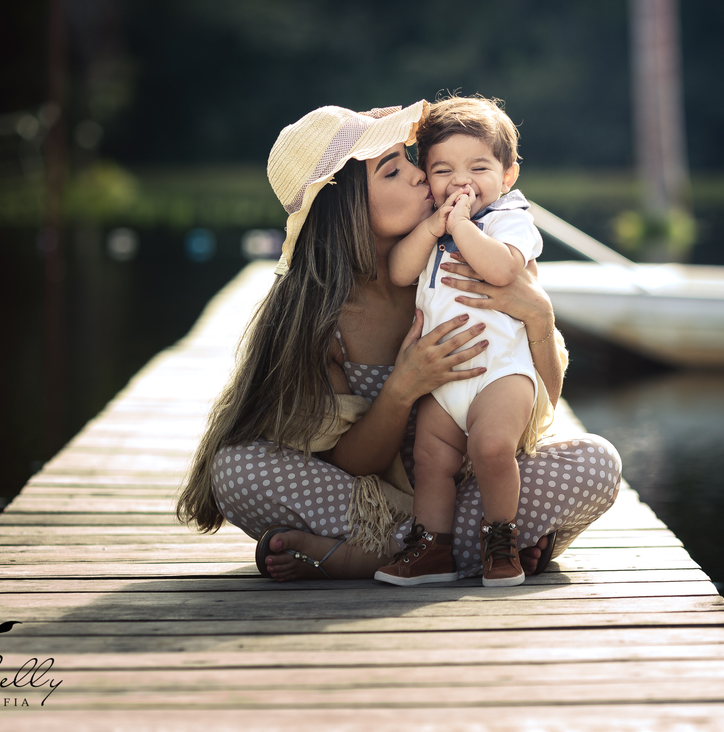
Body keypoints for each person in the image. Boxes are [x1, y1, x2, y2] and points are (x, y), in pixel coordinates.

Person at [176, 101, 621, 582]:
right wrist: (404, 385)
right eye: (392, 172)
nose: (419, 176)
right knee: (236, 471)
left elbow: (546, 401)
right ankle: (468, 545)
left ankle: (388, 553)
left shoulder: (467, 267)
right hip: (368, 501)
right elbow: (351, 462)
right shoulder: (324, 316)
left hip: (474, 483)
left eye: (411, 161)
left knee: (596, 463)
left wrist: (539, 316)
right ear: (346, 208)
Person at [377, 96, 543, 587]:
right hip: (445, 380)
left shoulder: (509, 219)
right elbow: (400, 271)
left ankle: (501, 539)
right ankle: (433, 548)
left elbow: (501, 268)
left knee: (493, 448)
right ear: (427, 178)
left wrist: (461, 225)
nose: (460, 180)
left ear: (508, 175)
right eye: (443, 169)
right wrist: (434, 226)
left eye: (479, 167)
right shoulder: (434, 227)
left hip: (501, 371)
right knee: (431, 462)